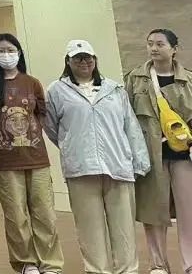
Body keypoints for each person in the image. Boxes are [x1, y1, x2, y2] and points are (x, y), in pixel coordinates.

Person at [45, 40, 149, 274]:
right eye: (78, 58)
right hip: (81, 170)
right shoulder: (56, 91)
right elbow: (51, 127)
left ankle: (127, 270)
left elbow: (130, 126)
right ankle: (97, 271)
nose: (84, 62)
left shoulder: (114, 89)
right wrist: (72, 146)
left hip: (118, 166)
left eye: (88, 57)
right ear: (68, 61)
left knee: (124, 229)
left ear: (95, 60)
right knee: (89, 229)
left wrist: (139, 162)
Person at [0, 33, 62, 274]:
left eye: (10, 50)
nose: (6, 55)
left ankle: (50, 263)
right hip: (6, 161)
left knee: (45, 214)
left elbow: (41, 114)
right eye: (1, 51)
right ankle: (26, 263)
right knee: (16, 216)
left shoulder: (32, 83)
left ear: (19, 53)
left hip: (37, 158)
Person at [125, 28, 192, 274]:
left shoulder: (188, 80)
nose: (154, 48)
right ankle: (158, 265)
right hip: (149, 155)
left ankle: (190, 262)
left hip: (184, 156)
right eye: (150, 43)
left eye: (160, 44)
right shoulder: (135, 79)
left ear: (174, 49)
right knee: (153, 211)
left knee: (189, 210)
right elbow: (126, 117)